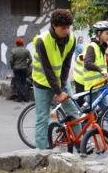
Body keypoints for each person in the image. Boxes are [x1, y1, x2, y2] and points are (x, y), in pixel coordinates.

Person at [32, 9, 80, 150]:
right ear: (54, 25)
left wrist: (63, 86)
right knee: (43, 118)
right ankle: (41, 153)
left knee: (73, 112)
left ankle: (80, 146)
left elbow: (66, 65)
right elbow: (47, 70)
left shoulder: (72, 38)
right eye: (63, 28)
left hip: (60, 81)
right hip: (41, 82)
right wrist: (58, 92)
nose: (66, 31)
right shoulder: (42, 41)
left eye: (68, 27)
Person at [9, 37, 32, 102]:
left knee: (18, 82)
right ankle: (26, 98)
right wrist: (27, 65)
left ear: (16, 44)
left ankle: (20, 98)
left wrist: (12, 66)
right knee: (24, 82)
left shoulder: (13, 51)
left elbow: (11, 61)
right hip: (24, 68)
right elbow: (30, 59)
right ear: (23, 43)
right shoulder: (26, 50)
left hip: (16, 68)